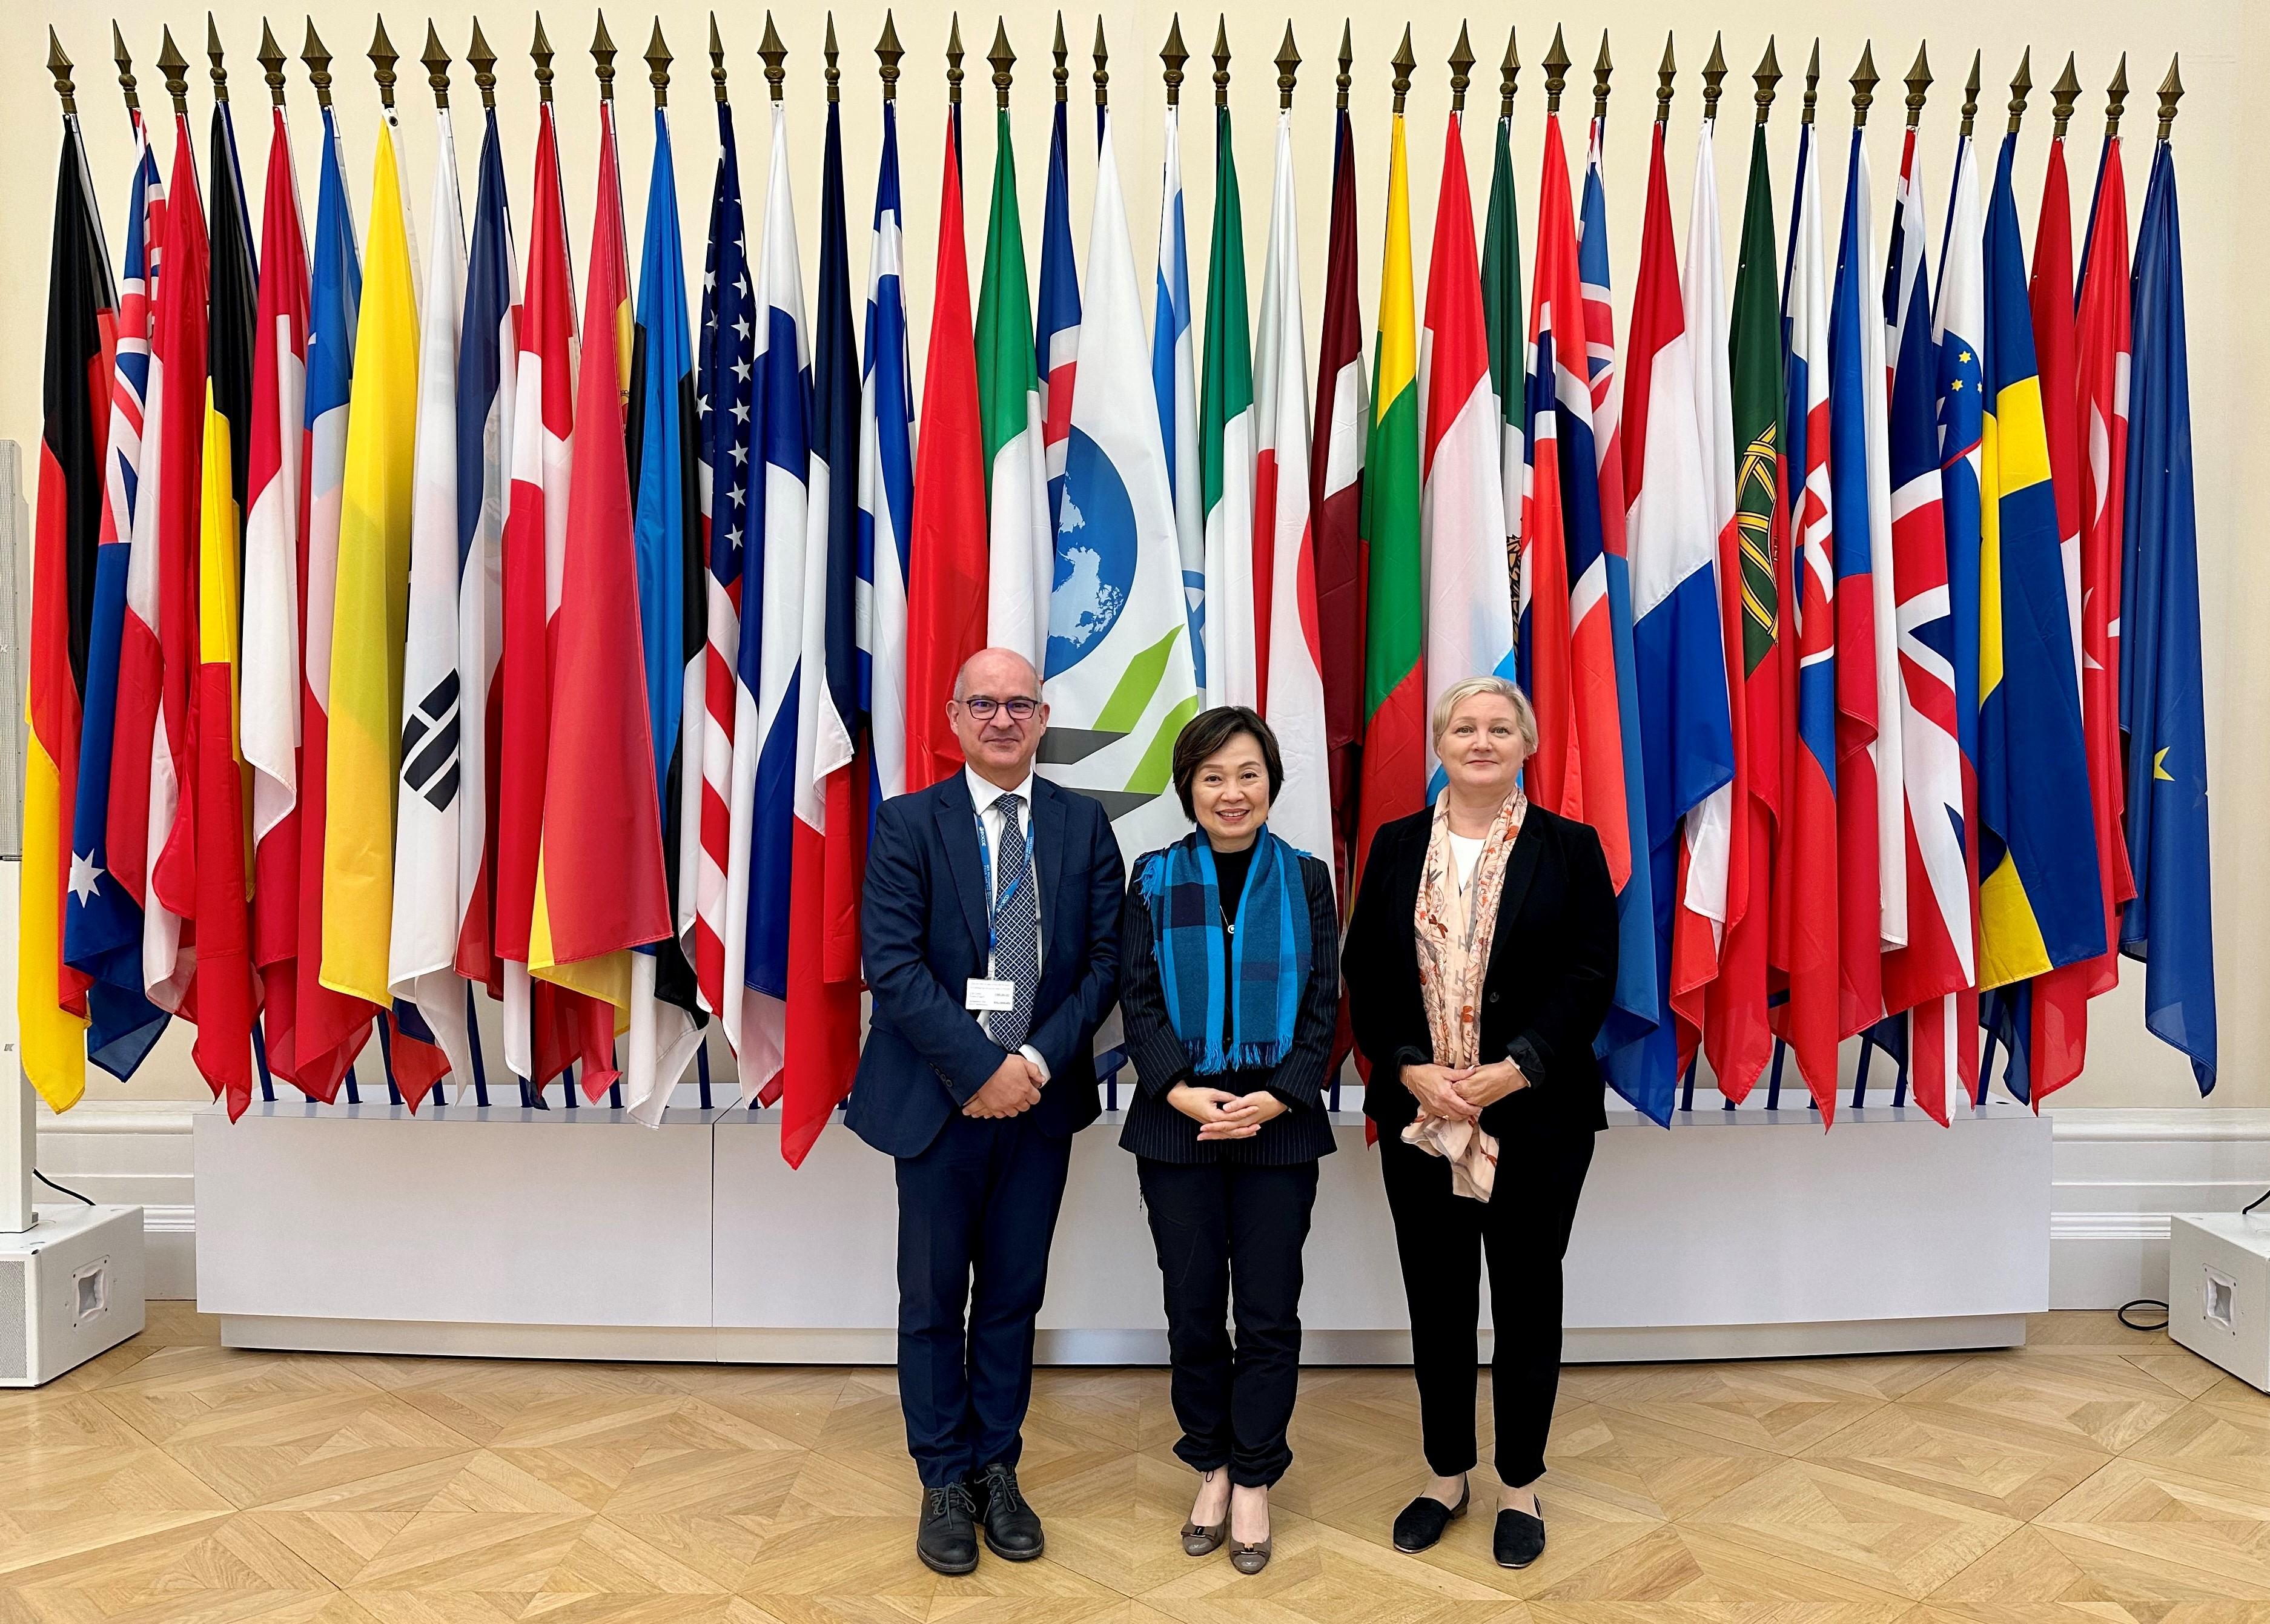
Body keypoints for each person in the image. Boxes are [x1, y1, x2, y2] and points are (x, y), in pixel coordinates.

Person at [848, 648, 1126, 1576]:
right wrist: (979, 1069)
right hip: (936, 1102)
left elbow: (1102, 964)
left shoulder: (1084, 826)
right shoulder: (905, 824)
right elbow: (890, 964)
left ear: (1043, 718)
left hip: (1038, 1103)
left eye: (1019, 704)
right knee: (933, 1300)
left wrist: (1034, 1061)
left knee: (1012, 1295)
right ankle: (942, 1479)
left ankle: (996, 1467)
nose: (1002, 719)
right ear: (953, 717)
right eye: (984, 704)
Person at [1343, 676, 1618, 1571]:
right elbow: (1367, 973)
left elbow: (1589, 973)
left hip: (1535, 1117)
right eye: (1465, 726)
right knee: (1439, 1300)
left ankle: (1520, 1483)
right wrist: (1413, 1067)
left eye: (1501, 727)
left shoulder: (1571, 849)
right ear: (1440, 741)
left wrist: (1512, 1069)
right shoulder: (1392, 847)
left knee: (1528, 1300)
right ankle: (1445, 1474)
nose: (1482, 740)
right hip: (1423, 1115)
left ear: (1527, 743)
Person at [1119, 707, 1340, 1577]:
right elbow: (1136, 996)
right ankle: (1209, 1464)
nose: (1231, 791)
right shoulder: (1152, 876)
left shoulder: (1308, 879)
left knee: (1270, 1313)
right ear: (1189, 789)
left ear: (1272, 784)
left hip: (1279, 1129)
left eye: (1247, 773)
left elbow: (1324, 1001)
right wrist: (1179, 1086)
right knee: (1191, 1308)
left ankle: (1255, 1476)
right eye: (1213, 776)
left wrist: (1276, 1098)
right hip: (1177, 1126)